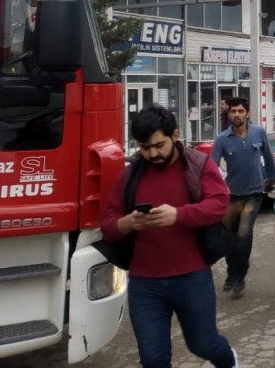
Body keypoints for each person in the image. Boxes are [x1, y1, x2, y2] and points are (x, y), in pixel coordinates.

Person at [100, 105, 239, 368]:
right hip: (145, 284)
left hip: (192, 278)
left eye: (158, 145)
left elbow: (219, 203)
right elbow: (107, 224)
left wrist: (179, 215)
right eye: (143, 147)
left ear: (175, 135)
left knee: (203, 344)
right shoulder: (130, 174)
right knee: (153, 359)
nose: (152, 154)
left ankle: (229, 360)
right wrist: (127, 222)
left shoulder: (198, 165)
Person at [210, 96, 275, 298]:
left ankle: (240, 275)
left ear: (247, 113)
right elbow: (212, 167)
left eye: (240, 111)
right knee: (230, 238)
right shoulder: (222, 139)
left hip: (255, 192)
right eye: (233, 111)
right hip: (231, 195)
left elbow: (268, 155)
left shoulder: (259, 133)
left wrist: (272, 178)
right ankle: (232, 273)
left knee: (243, 234)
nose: (236, 115)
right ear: (228, 114)